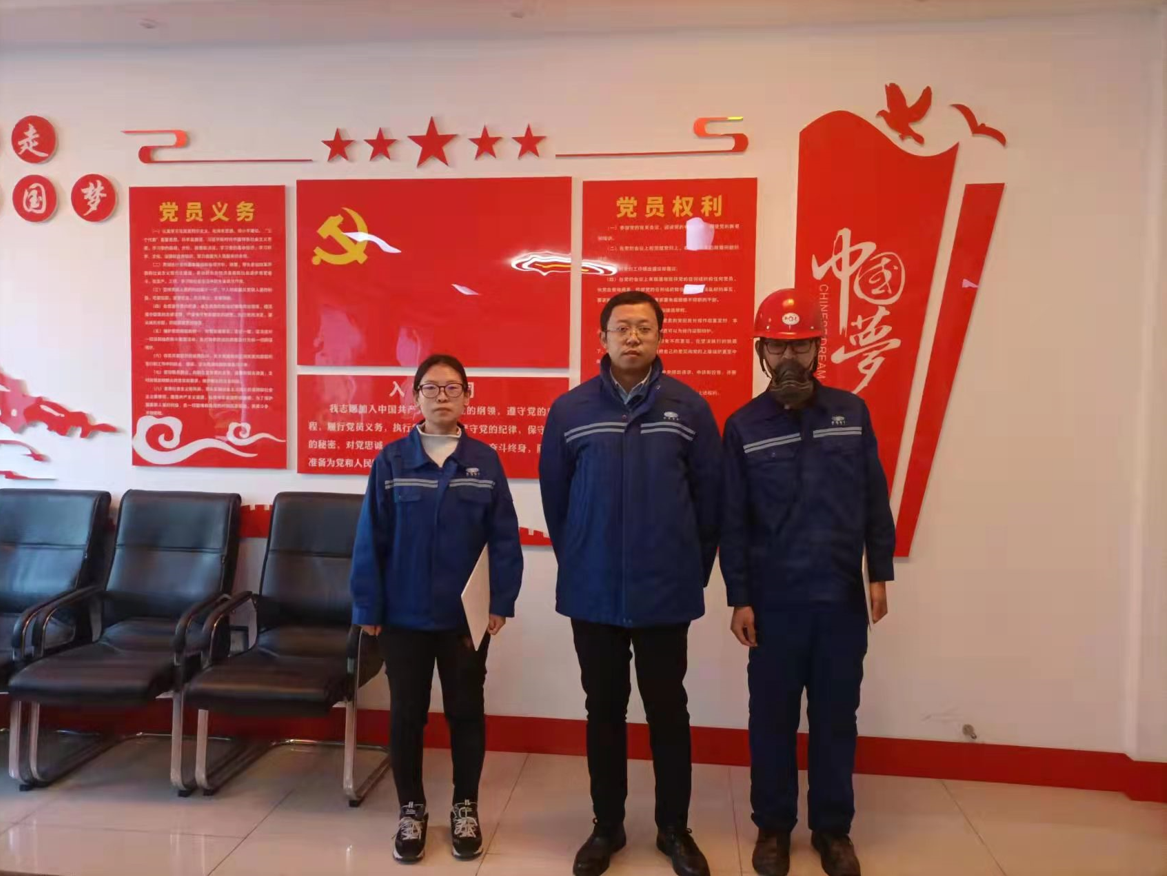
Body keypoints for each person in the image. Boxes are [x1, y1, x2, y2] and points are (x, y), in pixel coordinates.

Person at [539, 290, 722, 876]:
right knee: (603, 709)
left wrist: (688, 571)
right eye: (622, 328)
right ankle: (607, 826)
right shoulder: (570, 410)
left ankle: (674, 829)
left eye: (644, 327)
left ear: (660, 337)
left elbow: (710, 503)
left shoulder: (689, 409)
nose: (633, 337)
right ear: (603, 339)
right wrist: (582, 559)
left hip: (665, 591)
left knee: (669, 710)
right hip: (592, 593)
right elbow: (557, 501)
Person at [720, 289, 896, 876]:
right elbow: (733, 521)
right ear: (762, 351)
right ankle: (773, 828)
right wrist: (739, 596)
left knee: (836, 718)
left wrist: (879, 572)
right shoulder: (743, 425)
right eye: (777, 345)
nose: (789, 357)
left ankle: (832, 829)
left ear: (819, 348)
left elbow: (874, 498)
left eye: (800, 345)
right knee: (771, 720)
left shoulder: (852, 413)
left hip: (840, 599)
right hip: (774, 605)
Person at [350, 353, 523, 864]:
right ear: (415, 396)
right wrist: (367, 606)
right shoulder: (391, 461)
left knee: (466, 712)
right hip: (402, 617)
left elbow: (504, 537)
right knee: (407, 714)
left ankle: (465, 806)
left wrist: (501, 601)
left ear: (468, 396)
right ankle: (412, 809)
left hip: (464, 620)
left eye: (452, 388)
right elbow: (370, 539)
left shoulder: (485, 461)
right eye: (431, 387)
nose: (442, 396)